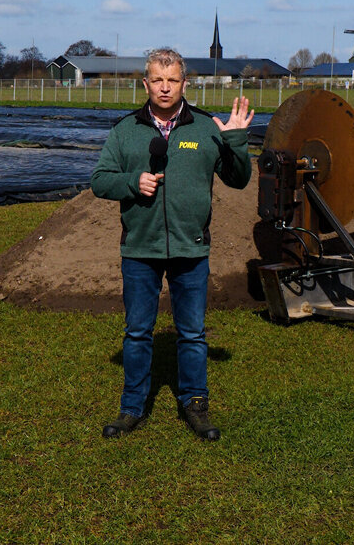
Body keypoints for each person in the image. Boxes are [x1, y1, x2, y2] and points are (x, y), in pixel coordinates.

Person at [91, 47, 253, 441]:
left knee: (193, 333)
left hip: (190, 248)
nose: (165, 88)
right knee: (137, 332)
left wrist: (235, 140)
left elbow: (239, 180)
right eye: (158, 80)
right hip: (140, 249)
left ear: (185, 84)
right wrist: (132, 182)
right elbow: (99, 180)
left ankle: (195, 405)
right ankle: (132, 407)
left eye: (173, 80)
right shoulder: (125, 130)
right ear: (145, 83)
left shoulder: (205, 128)